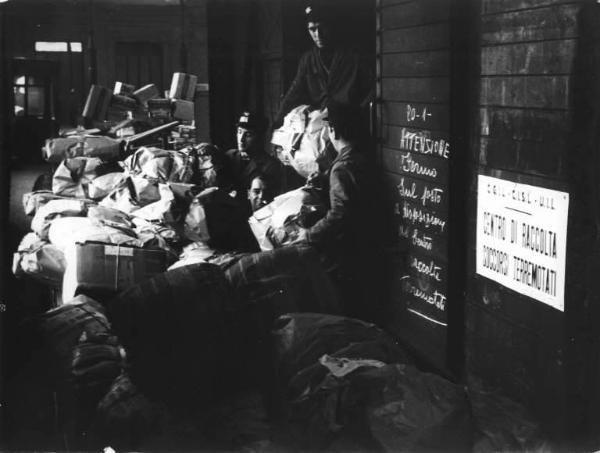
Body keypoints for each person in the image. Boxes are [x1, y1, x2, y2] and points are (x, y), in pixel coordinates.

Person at [269, 101, 382, 323]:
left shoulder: (342, 168)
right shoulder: (359, 159)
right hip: (369, 251)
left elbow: (341, 213)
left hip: (350, 255)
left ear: (334, 130)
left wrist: (308, 235)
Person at [273, 4, 373, 128]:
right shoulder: (308, 59)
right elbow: (294, 91)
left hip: (349, 126)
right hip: (320, 125)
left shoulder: (353, 57)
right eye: (312, 29)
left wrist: (357, 114)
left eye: (322, 27)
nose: (318, 34)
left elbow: (373, 89)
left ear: (331, 26)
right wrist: (278, 121)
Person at [225, 111, 283, 200]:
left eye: (248, 134)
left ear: (259, 137)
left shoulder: (270, 166)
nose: (241, 139)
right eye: (239, 132)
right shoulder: (229, 156)